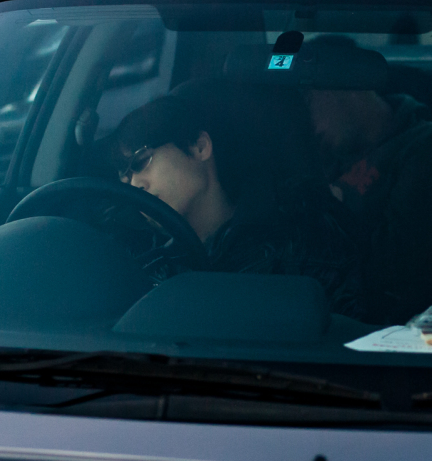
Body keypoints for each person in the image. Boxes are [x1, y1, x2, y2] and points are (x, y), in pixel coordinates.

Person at [110, 95, 363, 317]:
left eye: (142, 161)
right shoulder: (144, 262)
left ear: (199, 147)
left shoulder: (299, 240)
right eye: (126, 179)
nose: (135, 185)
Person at [299, 38, 432, 323]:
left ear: (350, 85)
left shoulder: (431, 147)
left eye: (309, 99)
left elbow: (403, 273)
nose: (307, 120)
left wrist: (335, 210)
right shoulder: (324, 157)